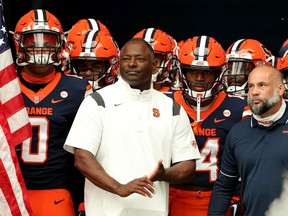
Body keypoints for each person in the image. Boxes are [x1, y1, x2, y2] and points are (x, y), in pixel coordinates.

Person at [63, 38, 201, 216]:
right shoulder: (98, 102)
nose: (132, 64)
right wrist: (119, 187)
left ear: (154, 65)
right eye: (126, 59)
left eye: (140, 59)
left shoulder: (172, 108)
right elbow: (81, 159)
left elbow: (188, 166)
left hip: (154, 212)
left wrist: (164, 174)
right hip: (105, 211)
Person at [13, 9, 92, 216]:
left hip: (56, 194)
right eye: (33, 42)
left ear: (60, 44)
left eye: (48, 43)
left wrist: (84, 201)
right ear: (19, 43)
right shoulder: (6, 86)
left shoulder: (79, 89)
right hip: (10, 193)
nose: (41, 48)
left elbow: (90, 152)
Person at [167, 35, 251, 216]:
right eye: (192, 71)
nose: (199, 78)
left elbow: (246, 162)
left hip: (215, 197)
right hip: (168, 194)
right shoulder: (163, 102)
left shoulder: (238, 107)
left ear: (219, 73)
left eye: (207, 72)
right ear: (182, 72)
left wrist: (238, 197)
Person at [208, 64, 288, 216]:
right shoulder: (238, 132)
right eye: (250, 86)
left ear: (280, 89)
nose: (254, 92)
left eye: (262, 85)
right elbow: (224, 186)